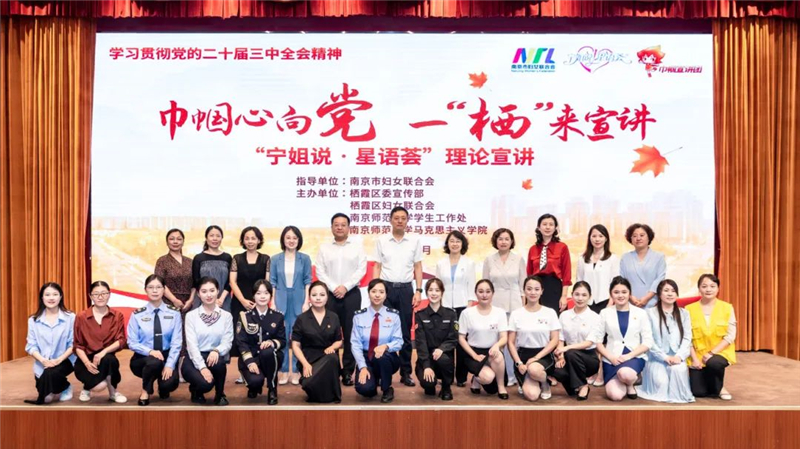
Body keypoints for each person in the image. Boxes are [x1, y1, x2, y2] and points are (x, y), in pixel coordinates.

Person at [372, 206, 423, 387]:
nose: (400, 221)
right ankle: (381, 371)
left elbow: (418, 266)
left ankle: (405, 372)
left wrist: (418, 290)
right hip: (386, 288)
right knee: (384, 331)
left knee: (405, 333)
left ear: (407, 220)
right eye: (396, 218)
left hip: (406, 289)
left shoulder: (414, 241)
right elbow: (377, 266)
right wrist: (376, 289)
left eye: (403, 218)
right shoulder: (382, 240)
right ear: (390, 220)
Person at [315, 213, 366, 387]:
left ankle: (348, 372)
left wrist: (345, 287)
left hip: (351, 294)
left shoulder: (357, 247)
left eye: (343, 225)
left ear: (348, 227)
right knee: (331, 333)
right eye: (336, 224)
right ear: (331, 227)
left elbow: (361, 270)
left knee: (351, 333)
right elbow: (320, 271)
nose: (339, 227)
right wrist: (333, 287)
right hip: (330, 295)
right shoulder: (324, 248)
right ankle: (333, 369)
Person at [591, 276, 654, 401]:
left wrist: (628, 356)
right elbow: (597, 341)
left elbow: (648, 342)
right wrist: (610, 357)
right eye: (616, 292)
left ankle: (630, 384)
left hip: (634, 356)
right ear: (611, 294)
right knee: (615, 396)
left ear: (630, 293)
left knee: (625, 374)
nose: (620, 295)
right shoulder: (605, 313)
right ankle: (624, 381)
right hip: (612, 358)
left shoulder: (641, 313)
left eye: (624, 292)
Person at [127, 274, 182, 406]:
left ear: (164, 290)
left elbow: (176, 342)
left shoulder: (174, 313)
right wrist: (150, 351)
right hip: (143, 358)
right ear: (145, 290)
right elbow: (132, 342)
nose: (155, 291)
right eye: (151, 287)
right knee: (154, 362)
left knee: (169, 384)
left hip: (166, 355)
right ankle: (145, 391)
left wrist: (169, 365)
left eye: (158, 287)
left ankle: (163, 387)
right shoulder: (137, 315)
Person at [638, 279, 694, 403]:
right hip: (656, 358)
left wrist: (679, 356)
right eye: (666, 290)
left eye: (673, 291)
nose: (670, 294)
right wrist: (664, 357)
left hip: (677, 356)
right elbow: (648, 340)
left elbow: (687, 338)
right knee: (661, 383)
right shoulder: (649, 313)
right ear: (659, 294)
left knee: (678, 372)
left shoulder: (684, 314)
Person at [482, 228, 526, 387]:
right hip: (495, 303)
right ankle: (498, 374)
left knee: (512, 342)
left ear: (511, 241)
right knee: (496, 340)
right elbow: (485, 285)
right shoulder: (489, 259)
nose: (503, 242)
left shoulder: (519, 259)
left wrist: (524, 307)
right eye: (500, 238)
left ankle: (513, 375)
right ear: (495, 241)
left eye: (507, 239)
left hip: (514, 303)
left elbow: (523, 285)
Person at [270, 225, 312, 385]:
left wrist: (306, 301)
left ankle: (295, 370)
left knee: (296, 336)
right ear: (283, 239)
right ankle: (283, 370)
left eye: (295, 238)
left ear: (299, 240)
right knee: (281, 335)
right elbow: (272, 282)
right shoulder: (275, 259)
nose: (291, 240)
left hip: (299, 298)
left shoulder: (305, 258)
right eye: (288, 237)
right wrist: (272, 301)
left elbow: (307, 281)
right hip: (280, 298)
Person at [182, 277, 234, 406]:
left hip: (213, 355)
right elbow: (192, 345)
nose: (208, 295)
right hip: (194, 357)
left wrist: (217, 350)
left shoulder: (226, 316)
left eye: (212, 290)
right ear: (198, 294)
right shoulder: (191, 316)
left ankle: (220, 394)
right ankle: (196, 390)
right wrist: (202, 367)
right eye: (204, 291)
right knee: (205, 384)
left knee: (219, 363)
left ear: (218, 291)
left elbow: (227, 341)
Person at [508, 276, 561, 402]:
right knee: (532, 395)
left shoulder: (550, 312)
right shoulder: (516, 314)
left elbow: (554, 340)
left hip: (543, 355)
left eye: (537, 289)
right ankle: (529, 380)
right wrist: (518, 363)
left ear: (542, 291)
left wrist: (537, 357)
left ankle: (545, 383)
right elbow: (510, 342)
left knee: (534, 369)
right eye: (529, 289)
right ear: (524, 291)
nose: (533, 292)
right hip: (523, 356)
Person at [434, 230, 476, 387]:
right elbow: (437, 287)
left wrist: (469, 308)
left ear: (462, 244)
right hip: (445, 307)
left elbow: (471, 286)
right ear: (447, 244)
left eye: (458, 241)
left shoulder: (469, 263)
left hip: (463, 307)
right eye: (451, 241)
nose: (455, 244)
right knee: (446, 341)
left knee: (461, 342)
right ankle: (446, 376)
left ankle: (461, 377)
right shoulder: (440, 263)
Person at [73, 281, 127, 403]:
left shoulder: (117, 316)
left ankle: (113, 393)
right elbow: (78, 345)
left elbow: (121, 340)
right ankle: (86, 388)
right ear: (90, 296)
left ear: (109, 295)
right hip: (86, 358)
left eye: (104, 293)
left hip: (106, 357)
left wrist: (103, 352)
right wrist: (87, 363)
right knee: (99, 386)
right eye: (96, 294)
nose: (100, 297)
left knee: (109, 360)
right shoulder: (81, 316)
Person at [352, 279, 403, 403]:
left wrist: (386, 346)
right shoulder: (359, 316)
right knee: (365, 389)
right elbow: (355, 344)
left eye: (381, 292)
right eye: (373, 291)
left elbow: (399, 341)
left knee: (382, 357)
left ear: (386, 295)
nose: (377, 295)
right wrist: (362, 367)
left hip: (387, 357)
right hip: (366, 357)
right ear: (368, 293)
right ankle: (373, 381)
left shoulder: (394, 316)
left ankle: (387, 388)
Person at [24, 282, 76, 405]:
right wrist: (43, 360)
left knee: (50, 375)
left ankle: (65, 386)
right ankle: (62, 385)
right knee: (47, 398)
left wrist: (59, 360)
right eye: (47, 295)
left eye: (55, 294)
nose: (51, 298)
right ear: (42, 297)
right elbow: (31, 346)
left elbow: (73, 343)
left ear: (61, 296)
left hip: (65, 359)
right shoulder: (33, 320)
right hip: (43, 362)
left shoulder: (70, 317)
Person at [292, 281, 344, 403]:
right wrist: (305, 364)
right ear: (309, 298)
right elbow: (295, 345)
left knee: (332, 358)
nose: (318, 298)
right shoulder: (302, 318)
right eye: (314, 295)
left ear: (327, 297)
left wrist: (332, 347)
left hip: (327, 359)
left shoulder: (334, 317)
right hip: (309, 359)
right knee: (308, 384)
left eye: (322, 294)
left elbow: (339, 341)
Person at [230, 226, 270, 383]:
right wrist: (243, 301)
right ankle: (243, 371)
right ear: (243, 240)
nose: (250, 241)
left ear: (259, 240)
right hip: (239, 303)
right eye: (247, 238)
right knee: (242, 338)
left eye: (253, 238)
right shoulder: (237, 258)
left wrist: (260, 301)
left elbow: (266, 283)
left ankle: (258, 368)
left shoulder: (266, 259)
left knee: (257, 336)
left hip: (260, 304)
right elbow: (232, 282)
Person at [235, 280, 285, 405]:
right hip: (251, 357)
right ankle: (254, 387)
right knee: (255, 382)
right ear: (253, 296)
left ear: (271, 295)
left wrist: (272, 343)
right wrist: (250, 362)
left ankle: (272, 389)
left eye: (266, 293)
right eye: (258, 293)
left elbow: (282, 341)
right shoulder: (245, 316)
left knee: (268, 351)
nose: (262, 296)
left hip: (270, 358)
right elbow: (241, 342)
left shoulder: (277, 316)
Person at [687, 274, 736, 401]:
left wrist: (711, 353)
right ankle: (710, 383)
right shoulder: (689, 309)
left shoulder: (727, 308)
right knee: (698, 392)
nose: (708, 289)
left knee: (714, 363)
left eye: (712, 286)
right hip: (698, 354)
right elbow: (687, 338)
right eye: (704, 286)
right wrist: (694, 359)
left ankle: (720, 388)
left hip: (720, 352)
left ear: (718, 288)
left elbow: (730, 335)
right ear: (699, 289)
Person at [458, 279, 510, 400]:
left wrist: (497, 346)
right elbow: (461, 338)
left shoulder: (500, 313)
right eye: (481, 291)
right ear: (475, 293)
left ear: (493, 293)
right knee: (488, 378)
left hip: (492, 351)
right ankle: (477, 379)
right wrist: (474, 355)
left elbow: (504, 337)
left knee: (498, 357)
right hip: (473, 353)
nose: (484, 295)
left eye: (488, 291)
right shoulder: (467, 313)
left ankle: (501, 386)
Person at [552, 281, 601, 400]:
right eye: (577, 294)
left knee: (571, 353)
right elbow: (561, 339)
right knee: (556, 370)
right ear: (572, 295)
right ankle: (575, 387)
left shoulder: (595, 317)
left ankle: (583, 385)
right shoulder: (564, 315)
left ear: (590, 297)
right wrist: (561, 357)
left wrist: (567, 348)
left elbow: (589, 342)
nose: (580, 298)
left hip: (589, 358)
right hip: (569, 356)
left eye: (584, 295)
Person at [414, 278, 458, 401]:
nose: (434, 293)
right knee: (428, 385)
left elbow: (453, 338)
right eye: (430, 290)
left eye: (437, 290)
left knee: (443, 358)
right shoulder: (420, 315)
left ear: (442, 292)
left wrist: (441, 349)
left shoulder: (451, 314)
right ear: (426, 292)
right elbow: (421, 343)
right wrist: (426, 366)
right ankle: (431, 384)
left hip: (444, 358)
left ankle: (446, 387)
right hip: (427, 358)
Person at [526, 214, 572, 315]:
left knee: (554, 318)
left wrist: (564, 296)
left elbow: (566, 274)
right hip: (536, 289)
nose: (547, 227)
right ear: (539, 227)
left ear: (555, 228)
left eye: (551, 224)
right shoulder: (533, 249)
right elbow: (529, 274)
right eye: (544, 224)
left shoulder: (562, 247)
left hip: (554, 288)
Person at [619, 223, 666, 309]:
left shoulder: (659, 257)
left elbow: (659, 279)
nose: (638, 238)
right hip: (630, 301)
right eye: (634, 236)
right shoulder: (625, 258)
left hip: (652, 301)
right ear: (630, 239)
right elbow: (622, 280)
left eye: (642, 235)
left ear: (649, 237)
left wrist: (647, 298)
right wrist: (630, 297)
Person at [576, 224, 620, 313]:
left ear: (606, 238)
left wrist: (611, 302)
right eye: (594, 236)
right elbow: (579, 281)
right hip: (586, 302)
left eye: (601, 236)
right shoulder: (582, 259)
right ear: (589, 238)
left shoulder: (612, 258)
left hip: (605, 301)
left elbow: (615, 283)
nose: (597, 239)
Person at [190, 225, 232, 311]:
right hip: (202, 300)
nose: (215, 238)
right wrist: (209, 299)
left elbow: (230, 281)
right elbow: (196, 281)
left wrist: (221, 299)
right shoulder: (199, 258)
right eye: (211, 235)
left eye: (218, 236)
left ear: (222, 238)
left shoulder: (227, 257)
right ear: (206, 238)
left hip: (223, 301)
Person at [154, 228, 193, 309]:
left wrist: (191, 300)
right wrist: (174, 300)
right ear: (167, 242)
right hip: (168, 303)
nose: (175, 242)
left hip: (188, 305)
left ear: (183, 242)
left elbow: (195, 284)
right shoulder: (162, 261)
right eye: (172, 239)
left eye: (179, 239)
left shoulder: (190, 261)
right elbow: (159, 283)